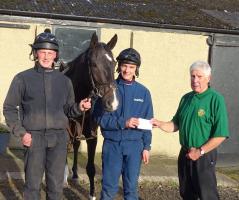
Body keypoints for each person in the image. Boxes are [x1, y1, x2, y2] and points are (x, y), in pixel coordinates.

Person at [3, 30, 91, 200]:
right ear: (35, 53)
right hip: (33, 138)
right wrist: (21, 133)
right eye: (42, 52)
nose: (46, 56)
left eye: (50, 53)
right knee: (32, 186)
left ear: (55, 55)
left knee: (56, 187)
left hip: (59, 139)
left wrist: (79, 107)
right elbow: (9, 108)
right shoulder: (22, 79)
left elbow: (68, 110)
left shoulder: (64, 81)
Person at [151, 61, 229, 200]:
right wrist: (160, 123)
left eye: (199, 76)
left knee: (207, 195)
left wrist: (200, 151)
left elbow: (221, 135)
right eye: (192, 76)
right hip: (185, 153)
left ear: (208, 78)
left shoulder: (215, 100)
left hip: (204, 155)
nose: (195, 80)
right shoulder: (186, 99)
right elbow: (175, 124)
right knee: (186, 193)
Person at [93, 48, 153, 200]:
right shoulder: (108, 88)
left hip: (134, 146)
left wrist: (146, 147)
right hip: (112, 145)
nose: (127, 70)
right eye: (124, 65)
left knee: (131, 189)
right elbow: (99, 118)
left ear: (136, 69)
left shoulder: (143, 92)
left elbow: (147, 122)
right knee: (109, 189)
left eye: (131, 67)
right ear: (118, 66)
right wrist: (123, 122)